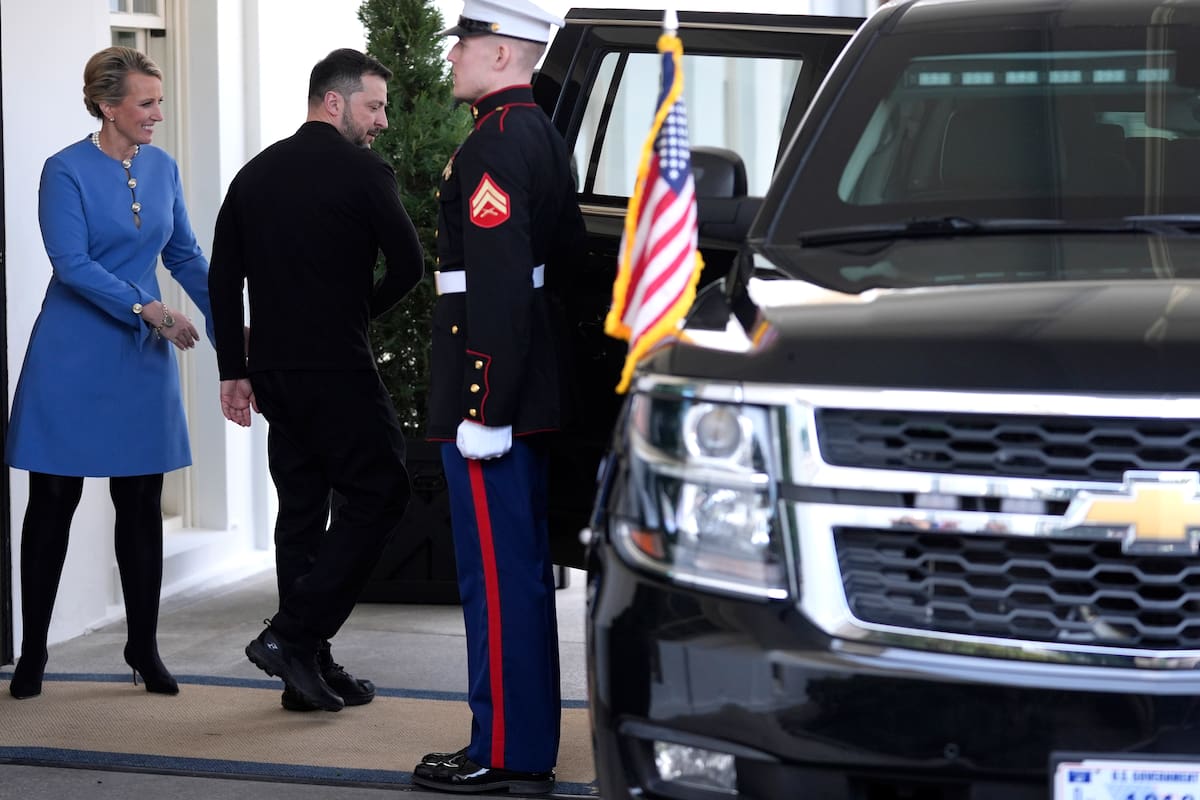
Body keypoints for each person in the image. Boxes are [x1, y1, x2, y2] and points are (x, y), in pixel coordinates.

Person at [207, 48, 423, 714]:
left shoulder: (255, 174)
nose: (381, 120)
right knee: (384, 490)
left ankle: (307, 665)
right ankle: (293, 636)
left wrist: (234, 372)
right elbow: (410, 266)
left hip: (273, 370)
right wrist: (356, 318)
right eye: (374, 105)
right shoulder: (364, 174)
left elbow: (222, 279)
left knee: (301, 510)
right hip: (337, 364)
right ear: (335, 101)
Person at [411, 0, 586, 793]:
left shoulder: (496, 143)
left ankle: (505, 751)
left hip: (490, 398)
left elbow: (501, 286)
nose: (453, 56)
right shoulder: (536, 133)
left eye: (466, 44)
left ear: (505, 55)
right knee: (513, 572)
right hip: (522, 385)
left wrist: (485, 407)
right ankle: (520, 741)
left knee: (498, 577)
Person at [5, 46, 212, 700]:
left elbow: (183, 253)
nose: (158, 113)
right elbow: (71, 263)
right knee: (54, 502)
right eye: (146, 102)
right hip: (72, 354)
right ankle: (33, 649)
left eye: (159, 101)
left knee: (141, 504)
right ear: (106, 104)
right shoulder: (62, 171)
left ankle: (143, 647)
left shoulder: (162, 168)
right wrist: (149, 309)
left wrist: (236, 330)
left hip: (139, 360)